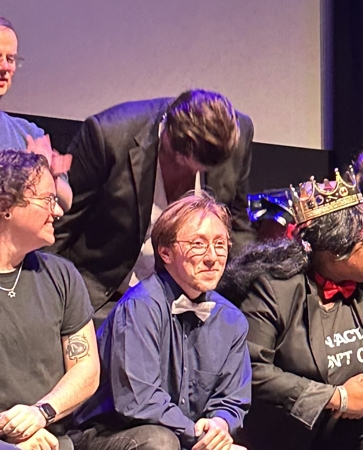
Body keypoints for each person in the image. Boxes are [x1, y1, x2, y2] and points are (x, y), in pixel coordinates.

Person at [221, 169, 363, 450]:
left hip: (347, 423)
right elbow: (253, 369)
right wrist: (336, 397)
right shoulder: (276, 288)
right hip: (290, 427)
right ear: (334, 249)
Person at [51, 90, 255, 323]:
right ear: (168, 135)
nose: (190, 175)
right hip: (106, 301)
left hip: (188, 306)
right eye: (184, 165)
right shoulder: (109, 136)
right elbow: (61, 226)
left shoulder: (237, 136)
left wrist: (251, 291)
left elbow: (237, 225)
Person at [71, 193, 250, 450]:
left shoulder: (232, 320)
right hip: (108, 433)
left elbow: (232, 399)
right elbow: (138, 400)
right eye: (198, 244)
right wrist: (198, 435)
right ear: (165, 253)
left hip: (183, 436)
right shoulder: (140, 306)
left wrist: (220, 425)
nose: (212, 257)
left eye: (220, 244)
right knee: (161, 443)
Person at [0, 150, 99, 450]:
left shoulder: (61, 275)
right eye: (47, 200)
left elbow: (86, 368)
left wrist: (40, 413)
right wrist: (11, 433)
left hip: (52, 437)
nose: (57, 212)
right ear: (6, 206)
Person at [0, 17, 72, 211]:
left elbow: (66, 201)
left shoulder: (27, 133)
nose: (5, 67)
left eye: (11, 59)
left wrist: (50, 175)